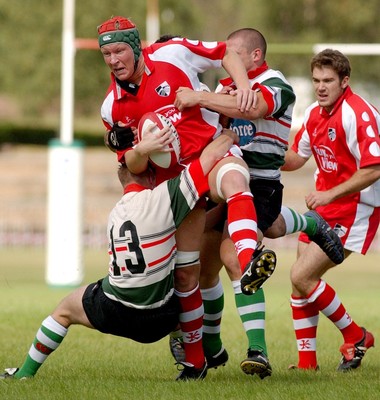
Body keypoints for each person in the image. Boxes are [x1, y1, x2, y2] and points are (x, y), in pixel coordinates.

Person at [97, 16, 271, 377]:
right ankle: (195, 363)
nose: (113, 59)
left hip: (212, 152)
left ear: (137, 46)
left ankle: (249, 256)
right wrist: (143, 148)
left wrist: (242, 88)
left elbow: (226, 53)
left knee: (235, 180)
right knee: (187, 276)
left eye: (119, 50)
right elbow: (129, 164)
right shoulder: (111, 108)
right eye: (106, 53)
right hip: (179, 188)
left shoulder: (173, 53)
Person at [0, 129, 239, 382]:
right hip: (163, 317)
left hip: (116, 311)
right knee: (186, 282)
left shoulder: (116, 215)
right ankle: (194, 355)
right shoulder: (161, 199)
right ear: (151, 175)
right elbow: (210, 156)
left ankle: (24, 373)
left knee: (63, 311)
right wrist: (228, 135)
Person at [173, 28, 344, 378]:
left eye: (233, 54)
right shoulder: (222, 87)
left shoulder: (276, 83)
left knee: (232, 256)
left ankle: (258, 351)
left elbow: (252, 108)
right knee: (199, 263)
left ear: (254, 56)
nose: (228, 61)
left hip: (260, 185)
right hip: (223, 184)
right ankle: (211, 347)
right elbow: (210, 125)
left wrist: (199, 98)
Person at [282, 48, 380, 371]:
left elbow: (373, 168)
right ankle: (307, 364)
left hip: (355, 208)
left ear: (344, 81)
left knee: (301, 275)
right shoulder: (313, 113)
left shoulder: (358, 113)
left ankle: (356, 335)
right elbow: (295, 158)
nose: (321, 87)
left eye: (328, 80)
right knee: (300, 281)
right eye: (316, 80)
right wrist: (260, 149)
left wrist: (328, 195)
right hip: (326, 208)